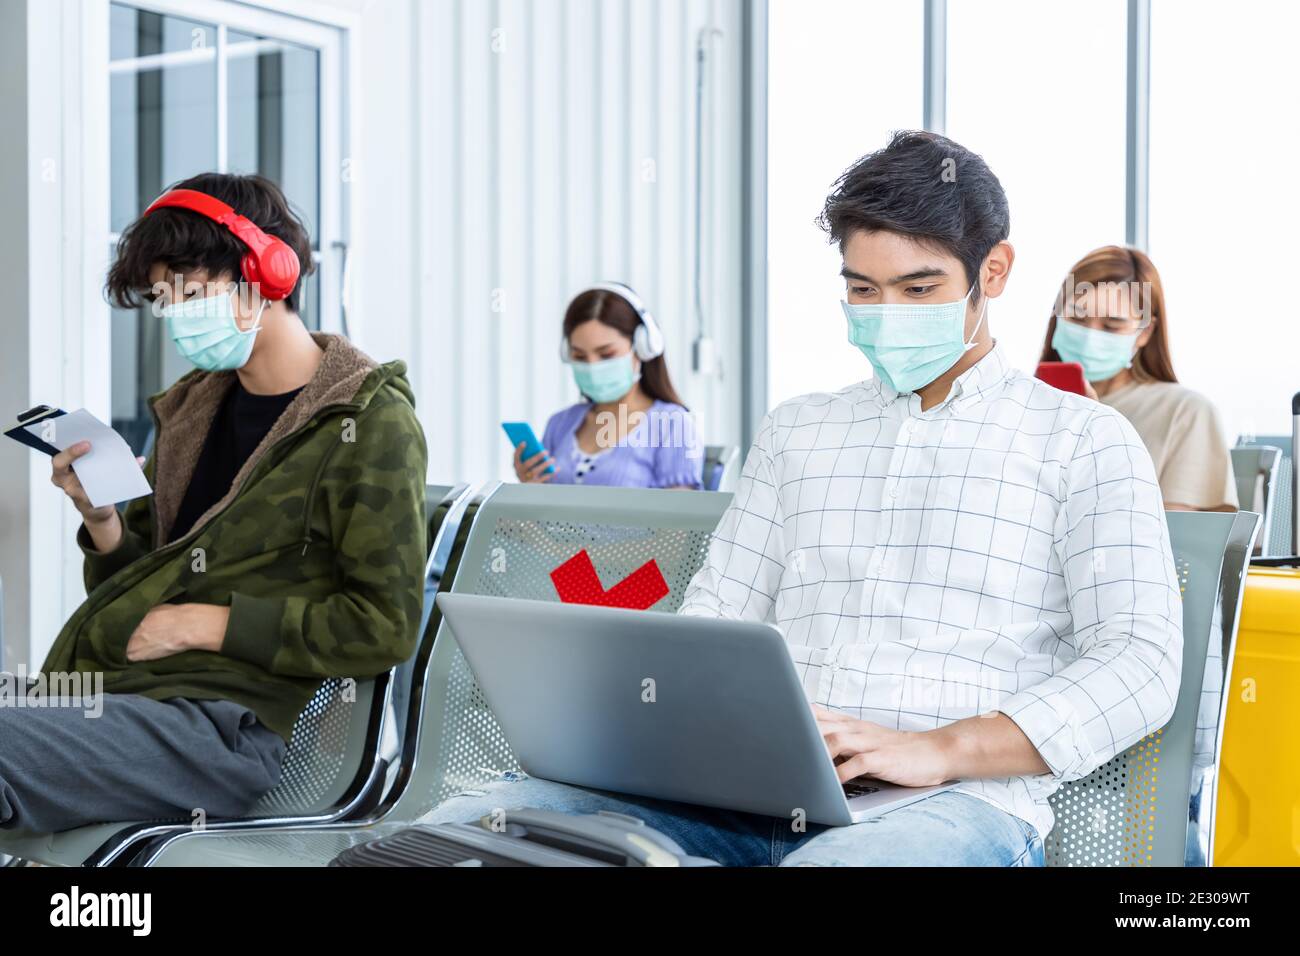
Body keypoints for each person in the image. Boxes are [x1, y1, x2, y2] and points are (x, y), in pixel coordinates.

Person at [418, 132, 1183, 866]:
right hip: (740, 787)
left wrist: (938, 747)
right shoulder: (799, 432)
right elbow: (714, 621)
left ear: (995, 270)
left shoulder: (1084, 441)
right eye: (862, 289)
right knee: (459, 837)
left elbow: (1140, 662)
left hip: (956, 803)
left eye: (919, 288)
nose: (887, 313)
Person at [0, 173, 428, 834]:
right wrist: (104, 520)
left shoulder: (367, 423)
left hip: (225, 725)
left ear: (269, 274)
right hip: (126, 695)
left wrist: (208, 624)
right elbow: (144, 583)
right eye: (162, 301)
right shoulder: (193, 410)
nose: (174, 316)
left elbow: (383, 624)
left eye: (190, 293)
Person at [1041, 245, 1238, 512]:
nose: (1091, 336)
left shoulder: (1185, 412)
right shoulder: (1027, 405)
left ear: (1145, 332)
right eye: (1077, 318)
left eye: (1112, 325)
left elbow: (1175, 542)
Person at [512, 283, 703, 490]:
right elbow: (538, 517)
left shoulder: (672, 425)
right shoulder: (560, 424)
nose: (593, 367)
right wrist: (529, 490)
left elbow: (681, 520)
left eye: (606, 354)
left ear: (642, 348)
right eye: (580, 356)